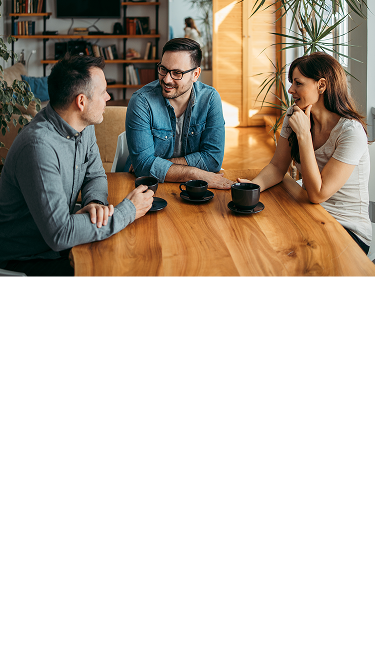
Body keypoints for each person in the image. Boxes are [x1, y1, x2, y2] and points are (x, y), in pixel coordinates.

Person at [0, 54, 154, 277]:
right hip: (26, 258)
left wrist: (96, 205)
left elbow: (95, 175)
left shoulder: (83, 125)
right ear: (81, 102)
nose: (109, 97)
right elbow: (60, 234)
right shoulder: (38, 147)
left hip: (59, 243)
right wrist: (128, 210)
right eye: (103, 92)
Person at [238, 52, 372, 254]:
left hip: (347, 229)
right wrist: (253, 187)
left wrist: (303, 134)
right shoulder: (294, 115)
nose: (290, 90)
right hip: (309, 214)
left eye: (298, 83)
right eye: (292, 83)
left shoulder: (350, 132)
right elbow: (277, 166)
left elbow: (318, 194)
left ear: (321, 85)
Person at [125, 38, 233, 190]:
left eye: (177, 73)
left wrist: (156, 164)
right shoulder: (141, 102)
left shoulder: (210, 99)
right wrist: (195, 173)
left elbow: (213, 160)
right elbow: (143, 168)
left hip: (194, 189)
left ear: (196, 74)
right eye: (163, 69)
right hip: (147, 189)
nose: (167, 79)